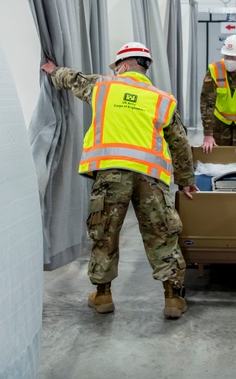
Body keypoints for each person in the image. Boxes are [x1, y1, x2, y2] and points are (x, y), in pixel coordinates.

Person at [41, 42, 199, 319]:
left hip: (111, 174)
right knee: (161, 234)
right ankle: (172, 299)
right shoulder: (162, 99)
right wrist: (185, 180)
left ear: (123, 65)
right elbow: (180, 143)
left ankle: (103, 297)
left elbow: (72, 79)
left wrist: (53, 71)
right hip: (151, 177)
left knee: (105, 233)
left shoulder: (103, 87)